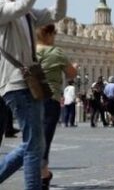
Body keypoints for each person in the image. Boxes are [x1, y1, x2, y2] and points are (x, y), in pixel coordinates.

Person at [0, 0, 67, 190]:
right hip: (15, 82)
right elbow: (19, 7)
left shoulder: (24, 11)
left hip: (27, 82)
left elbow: (57, 14)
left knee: (33, 144)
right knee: (33, 147)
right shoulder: (4, 6)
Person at [36, 23, 76, 188]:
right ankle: (41, 176)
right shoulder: (56, 52)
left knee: (33, 137)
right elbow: (71, 73)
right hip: (50, 99)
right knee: (44, 139)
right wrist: (75, 67)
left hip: (30, 99)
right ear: (50, 35)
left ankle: (44, 175)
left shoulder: (28, 52)